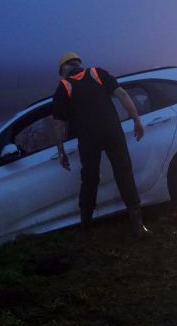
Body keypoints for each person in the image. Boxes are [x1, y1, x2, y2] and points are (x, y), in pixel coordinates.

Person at [51, 52, 150, 237]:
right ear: (78, 63)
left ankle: (86, 228)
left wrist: (60, 150)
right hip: (112, 131)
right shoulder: (98, 73)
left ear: (64, 68)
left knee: (89, 180)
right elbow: (122, 94)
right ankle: (138, 225)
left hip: (88, 138)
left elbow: (58, 123)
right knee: (124, 173)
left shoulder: (64, 86)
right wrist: (136, 119)